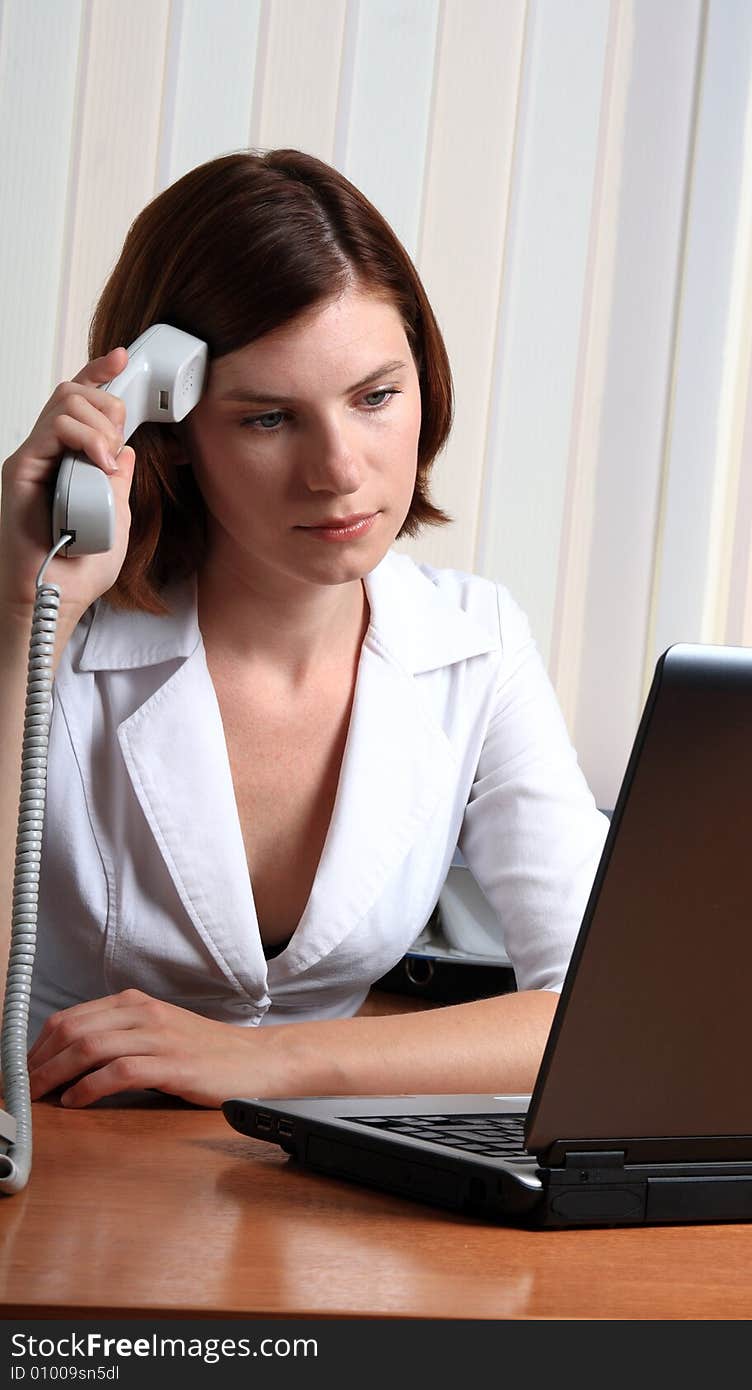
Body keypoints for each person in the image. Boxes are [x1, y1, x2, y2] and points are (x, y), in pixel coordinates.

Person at [0, 148, 608, 1110]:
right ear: (168, 428)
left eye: (375, 398)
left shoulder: (474, 642)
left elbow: (598, 1015)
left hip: (321, 1193)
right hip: (68, 1170)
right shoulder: (52, 637)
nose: (338, 470)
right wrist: (25, 609)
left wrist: (268, 1064)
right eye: (270, 418)